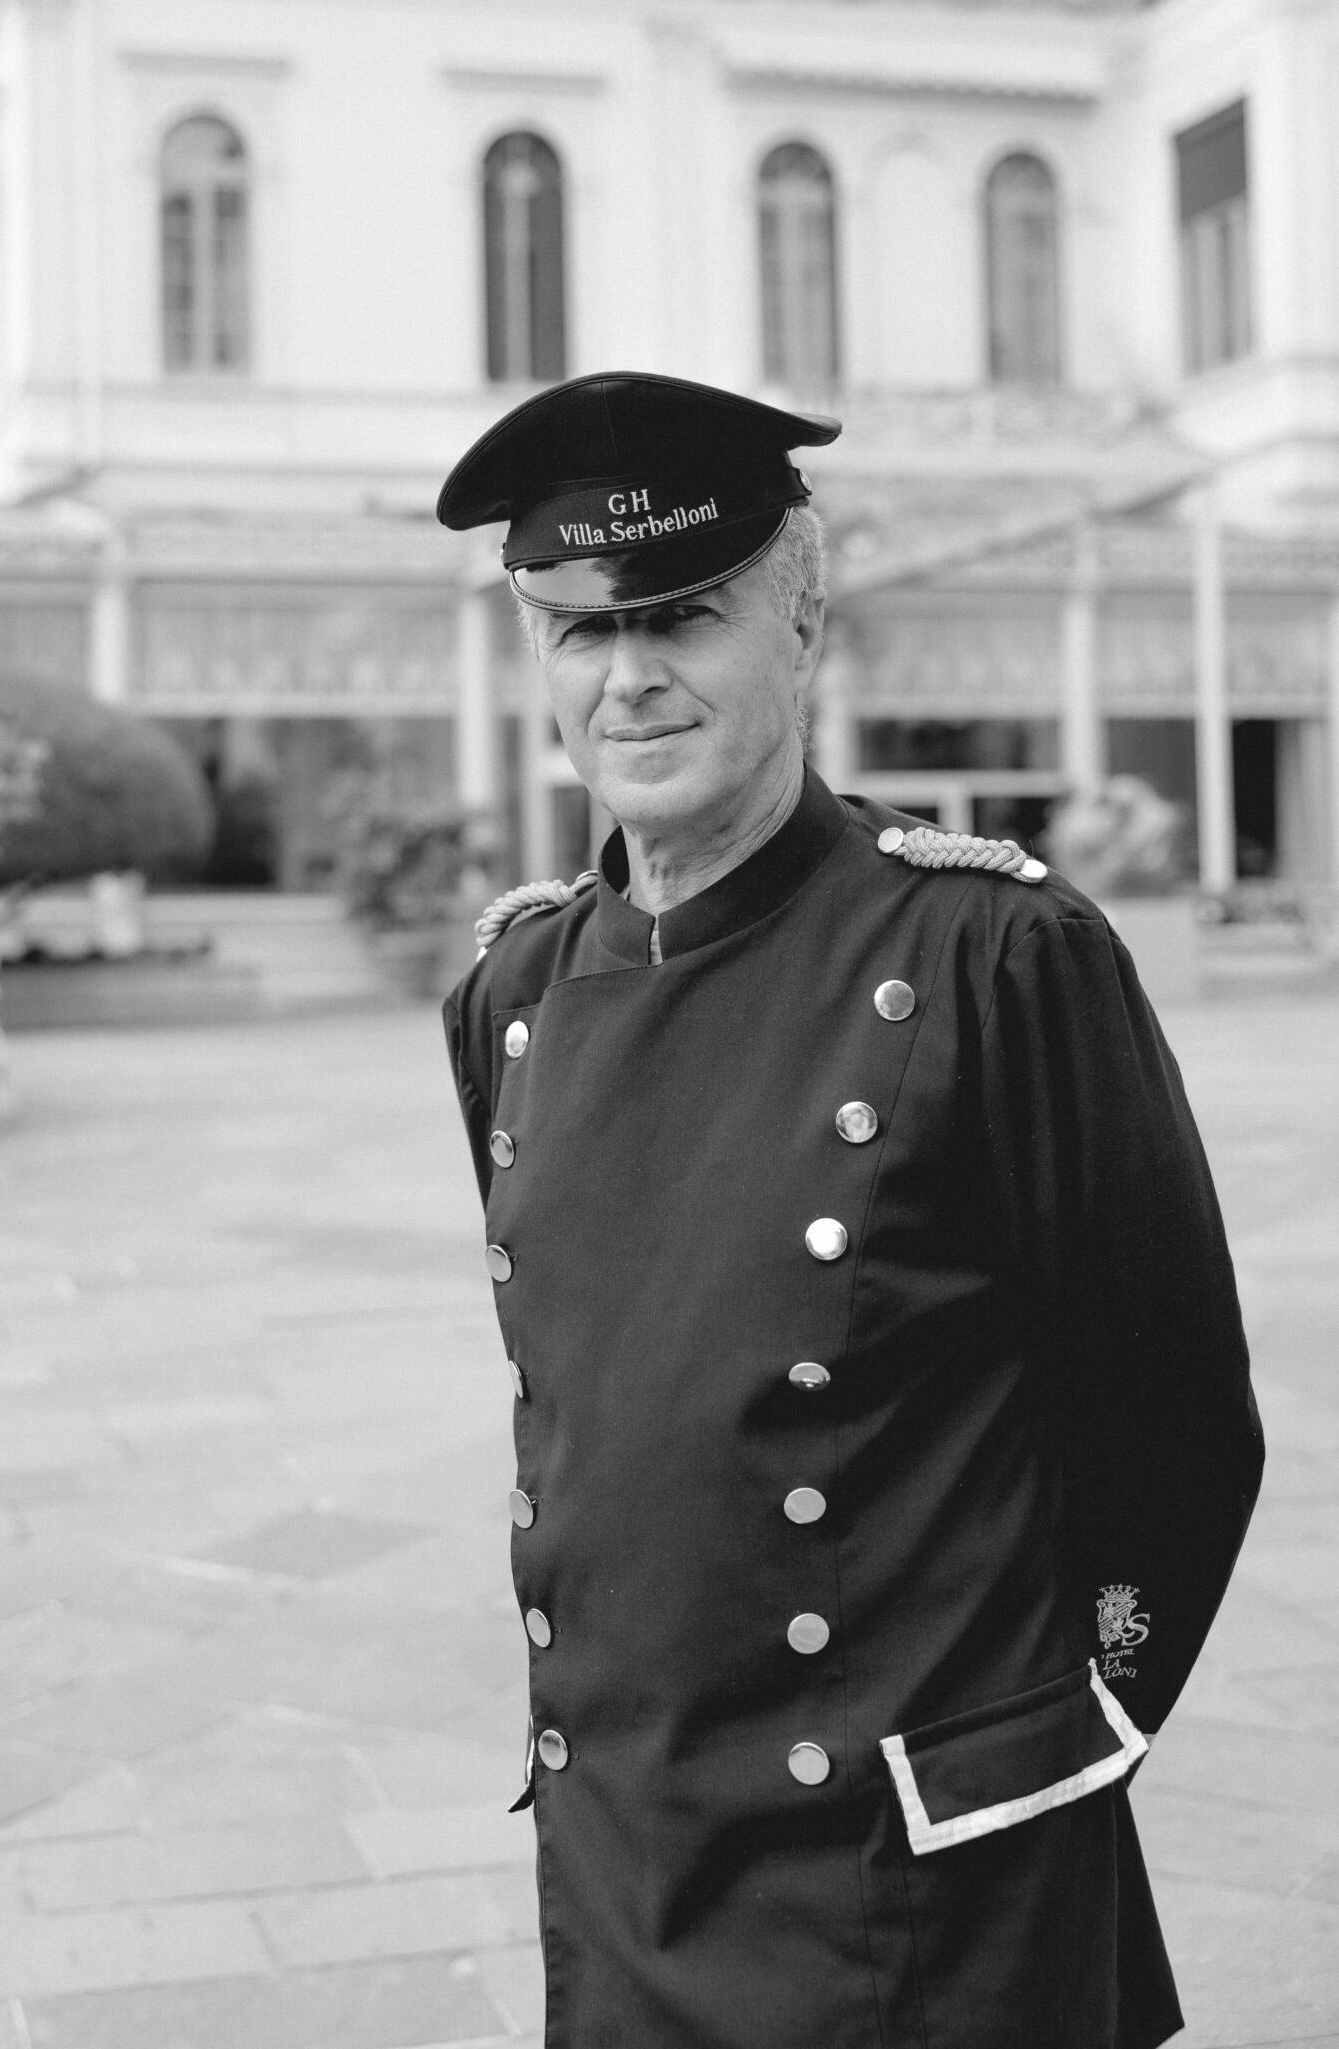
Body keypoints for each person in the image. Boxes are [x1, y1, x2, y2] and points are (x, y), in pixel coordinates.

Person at [436, 371, 1262, 2049]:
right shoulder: (511, 994)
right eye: (580, 630)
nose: (629, 676)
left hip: (936, 1903)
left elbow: (1175, 1421)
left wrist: (1049, 1747)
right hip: (628, 1864)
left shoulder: (994, 956)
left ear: (803, 622)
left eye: (686, 615)